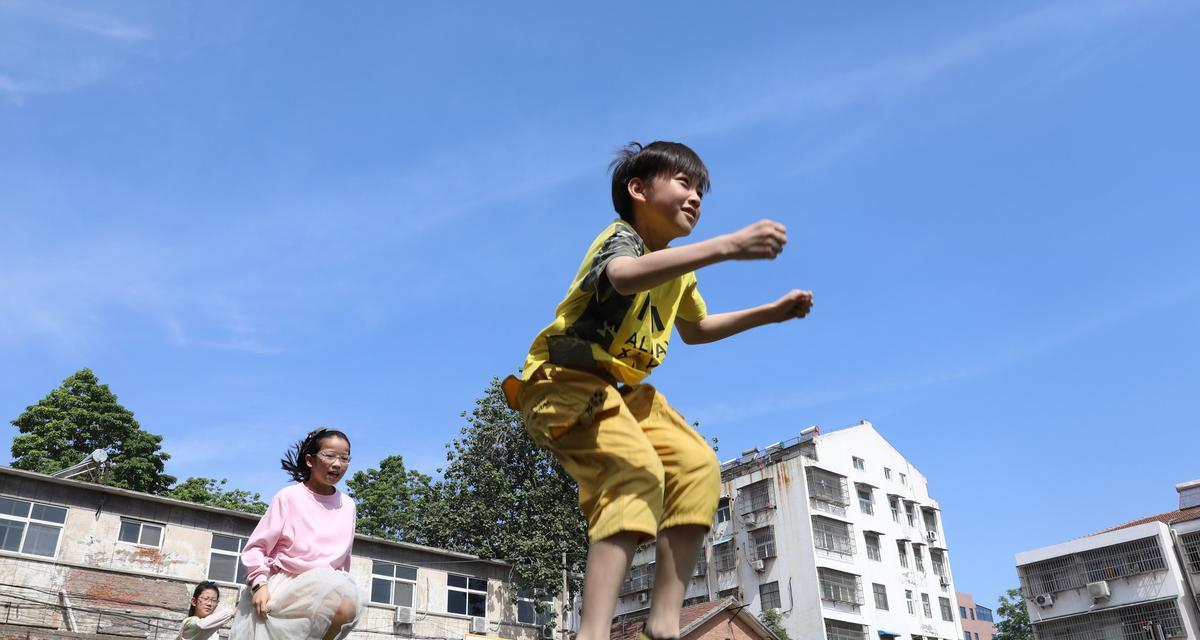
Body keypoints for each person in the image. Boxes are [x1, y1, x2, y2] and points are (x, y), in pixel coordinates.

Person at [503, 141, 813, 640]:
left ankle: (664, 623)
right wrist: (728, 246)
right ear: (638, 190)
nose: (695, 199)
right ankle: (593, 633)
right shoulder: (621, 238)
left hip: (621, 392)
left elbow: (698, 327)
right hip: (562, 383)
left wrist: (769, 312)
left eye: (701, 192)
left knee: (697, 468)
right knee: (635, 471)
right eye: (684, 184)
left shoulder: (680, 271)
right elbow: (623, 279)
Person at [230, 428, 362, 640]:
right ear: (310, 460)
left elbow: (343, 560)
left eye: (344, 458)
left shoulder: (348, 506)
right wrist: (259, 584)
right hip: (283, 590)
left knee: (346, 605)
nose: (337, 464)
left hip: (326, 592)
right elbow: (257, 547)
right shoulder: (289, 497)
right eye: (329, 455)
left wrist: (340, 586)